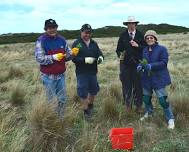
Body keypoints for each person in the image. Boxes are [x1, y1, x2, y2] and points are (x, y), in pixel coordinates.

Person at [35, 19, 79, 119]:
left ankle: (61, 119)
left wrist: (72, 54)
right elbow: (39, 58)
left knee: (62, 99)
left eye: (54, 27)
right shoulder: (41, 40)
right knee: (51, 100)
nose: (52, 30)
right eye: (49, 28)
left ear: (56, 28)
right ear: (46, 29)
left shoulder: (62, 39)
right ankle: (52, 120)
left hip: (61, 76)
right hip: (48, 77)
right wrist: (53, 57)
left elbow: (66, 56)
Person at [137, 30, 175, 129]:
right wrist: (140, 66)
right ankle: (149, 112)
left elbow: (164, 62)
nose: (149, 39)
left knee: (162, 100)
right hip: (146, 78)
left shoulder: (162, 49)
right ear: (145, 40)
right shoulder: (144, 50)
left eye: (151, 37)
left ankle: (170, 118)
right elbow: (143, 62)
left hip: (158, 78)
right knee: (146, 98)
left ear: (155, 39)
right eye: (147, 38)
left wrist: (151, 66)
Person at [72, 24, 104, 119]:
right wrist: (84, 60)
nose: (87, 35)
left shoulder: (94, 43)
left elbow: (100, 53)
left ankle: (90, 105)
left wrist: (101, 58)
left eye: (89, 33)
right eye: (85, 32)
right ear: (81, 32)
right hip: (82, 72)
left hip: (93, 72)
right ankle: (86, 111)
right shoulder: (77, 44)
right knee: (83, 91)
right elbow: (73, 58)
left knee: (93, 90)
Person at [116, 16, 146, 113]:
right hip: (125, 65)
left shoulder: (141, 35)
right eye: (129, 23)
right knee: (126, 85)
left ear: (135, 24)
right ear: (127, 25)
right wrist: (120, 54)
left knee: (138, 85)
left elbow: (145, 49)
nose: (131, 25)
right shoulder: (122, 35)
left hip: (137, 64)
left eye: (133, 23)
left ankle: (139, 106)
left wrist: (138, 46)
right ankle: (128, 105)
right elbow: (118, 49)